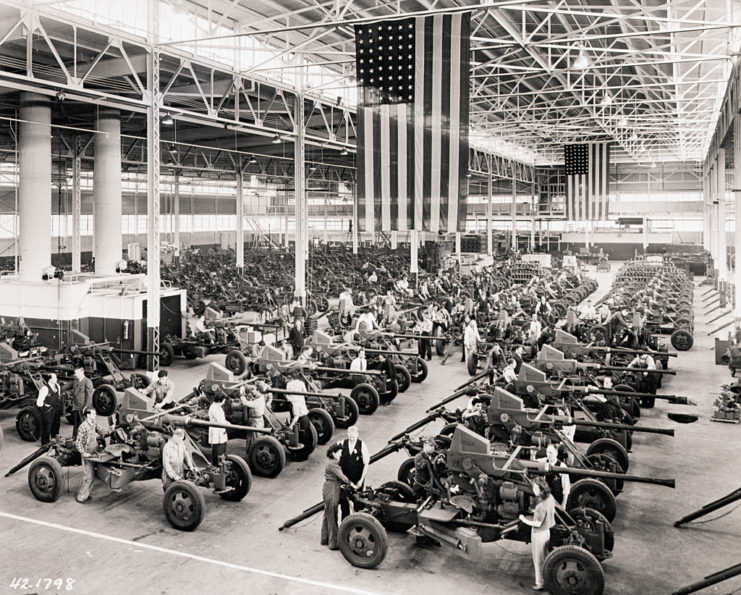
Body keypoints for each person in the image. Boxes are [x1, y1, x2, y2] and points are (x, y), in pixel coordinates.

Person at [519, 478, 557, 591]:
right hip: (547, 531)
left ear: (541, 490)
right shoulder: (550, 498)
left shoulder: (541, 506)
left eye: (535, 488)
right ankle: (548, 579)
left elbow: (537, 523)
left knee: (538, 560)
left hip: (538, 534)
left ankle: (540, 584)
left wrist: (523, 519)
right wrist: (535, 512)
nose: (533, 489)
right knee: (545, 557)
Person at [75, 407, 111, 503]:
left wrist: (111, 429)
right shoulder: (83, 427)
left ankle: (86, 495)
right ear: (88, 415)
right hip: (87, 453)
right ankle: (81, 497)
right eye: (93, 414)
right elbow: (78, 443)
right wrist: (84, 453)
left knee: (93, 475)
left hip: (94, 451)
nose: (95, 416)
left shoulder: (93, 423)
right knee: (88, 476)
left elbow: (102, 432)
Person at [321, 443, 351, 550]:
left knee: (327, 515)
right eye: (339, 453)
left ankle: (324, 539)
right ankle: (333, 544)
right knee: (333, 516)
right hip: (332, 489)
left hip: (328, 488)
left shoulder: (331, 462)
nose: (341, 455)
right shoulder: (333, 464)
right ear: (334, 453)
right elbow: (343, 478)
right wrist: (352, 484)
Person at [337, 425, 370, 519]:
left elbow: (366, 464)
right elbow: (336, 461)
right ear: (348, 434)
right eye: (350, 435)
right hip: (345, 481)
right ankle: (345, 525)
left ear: (357, 434)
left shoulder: (362, 445)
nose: (352, 438)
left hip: (357, 480)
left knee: (358, 504)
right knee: (344, 505)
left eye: (354, 436)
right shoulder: (342, 444)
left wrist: (361, 480)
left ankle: (358, 526)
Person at [538, 443, 570, 509]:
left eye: (550, 453)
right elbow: (532, 463)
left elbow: (566, 488)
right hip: (545, 499)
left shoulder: (562, 466)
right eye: (547, 452)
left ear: (556, 453)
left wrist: (563, 504)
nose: (548, 455)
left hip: (557, 500)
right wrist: (532, 454)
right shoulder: (543, 461)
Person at [36, 373, 62, 445]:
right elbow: (39, 402)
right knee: (47, 427)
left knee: (56, 425)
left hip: (56, 409)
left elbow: (58, 396)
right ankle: (45, 443)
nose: (56, 379)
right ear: (50, 380)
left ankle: (54, 440)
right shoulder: (44, 389)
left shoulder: (58, 386)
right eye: (55, 378)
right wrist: (46, 407)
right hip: (48, 410)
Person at [71, 366, 94, 438]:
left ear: (82, 372)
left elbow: (89, 395)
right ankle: (75, 438)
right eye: (75, 373)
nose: (75, 374)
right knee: (76, 424)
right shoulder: (75, 380)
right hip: (76, 406)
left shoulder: (87, 381)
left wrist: (86, 407)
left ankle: (84, 440)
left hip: (83, 407)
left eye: (77, 373)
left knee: (83, 425)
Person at [208, 391, 228, 467]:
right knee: (216, 448)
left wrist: (227, 423)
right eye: (223, 401)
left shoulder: (218, 407)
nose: (224, 403)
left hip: (220, 429)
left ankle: (221, 461)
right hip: (216, 430)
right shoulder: (214, 408)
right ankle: (215, 464)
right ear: (220, 400)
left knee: (222, 445)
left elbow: (222, 419)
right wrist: (227, 424)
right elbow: (220, 420)